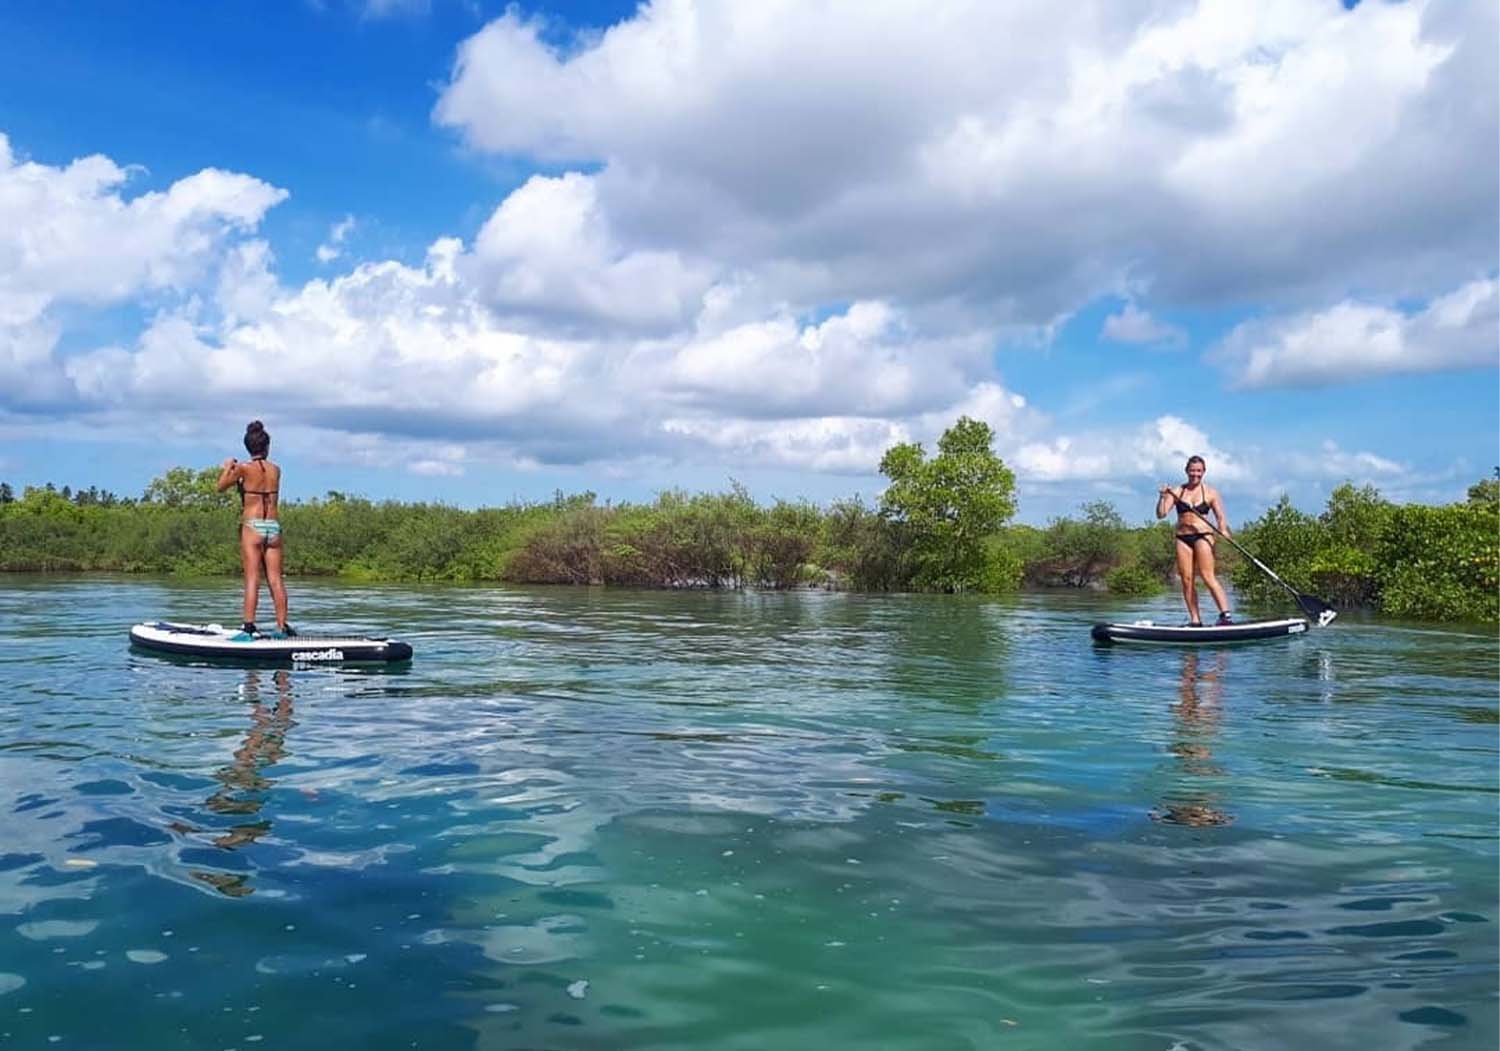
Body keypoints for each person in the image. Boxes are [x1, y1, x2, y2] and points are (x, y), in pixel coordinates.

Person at [216, 420, 294, 639]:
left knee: (252, 579)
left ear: (248, 447)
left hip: (253, 526)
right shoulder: (276, 470)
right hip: (273, 526)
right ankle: (282, 627)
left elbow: (220, 487)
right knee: (276, 579)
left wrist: (228, 467)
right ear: (267, 446)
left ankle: (249, 628)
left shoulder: (243, 468)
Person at [1156, 455, 1232, 627]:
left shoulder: (1211, 493)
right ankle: (1195, 620)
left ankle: (1225, 616)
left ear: (1204, 472)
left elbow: (1220, 517)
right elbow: (1161, 514)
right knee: (1187, 579)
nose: (1195, 474)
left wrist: (1223, 529)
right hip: (1182, 538)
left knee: (1207, 576)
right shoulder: (1177, 492)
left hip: (1203, 536)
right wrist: (1162, 497)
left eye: (1199, 471)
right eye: (1192, 470)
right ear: (1186, 471)